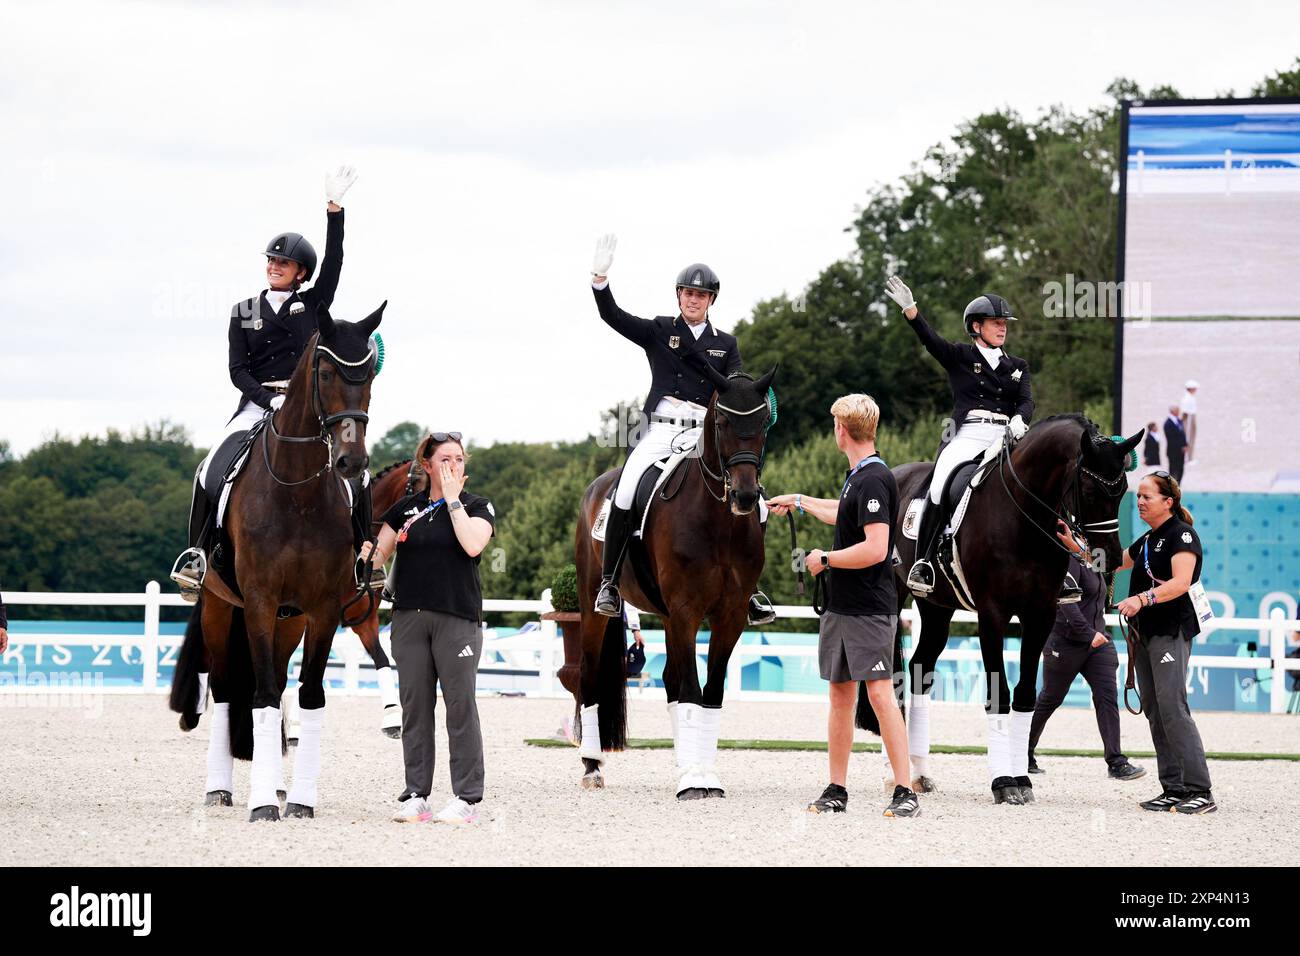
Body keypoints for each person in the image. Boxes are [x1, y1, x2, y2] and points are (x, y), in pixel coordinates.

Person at [170, 165, 360, 600]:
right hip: (257, 403)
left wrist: (335, 211)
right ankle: (197, 557)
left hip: (309, 407)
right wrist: (264, 400)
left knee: (358, 479)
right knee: (211, 466)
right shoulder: (243, 311)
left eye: (284, 262)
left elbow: (336, 263)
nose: (274, 266)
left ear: (301, 272)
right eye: (272, 260)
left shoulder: (313, 303)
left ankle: (363, 558)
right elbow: (237, 370)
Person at [588, 233, 773, 626]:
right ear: (679, 296)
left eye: (701, 295)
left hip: (706, 433)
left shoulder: (726, 343)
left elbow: (737, 383)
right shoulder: (658, 330)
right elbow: (613, 317)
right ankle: (609, 582)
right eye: (688, 293)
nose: (694, 299)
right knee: (625, 491)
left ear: (711, 301)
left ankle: (749, 586)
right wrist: (600, 281)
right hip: (660, 430)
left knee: (755, 501)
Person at [768, 394, 920, 818]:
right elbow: (844, 514)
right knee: (840, 697)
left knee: (880, 695)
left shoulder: (873, 479)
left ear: (841, 429)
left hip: (869, 607)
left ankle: (905, 790)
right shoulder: (859, 475)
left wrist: (826, 560)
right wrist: (799, 500)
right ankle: (837, 788)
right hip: (843, 606)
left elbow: (875, 548)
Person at [881, 277, 1069, 602]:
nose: (1003, 328)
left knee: (1042, 485)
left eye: (1004, 323)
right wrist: (912, 311)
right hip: (968, 434)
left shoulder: (1017, 366)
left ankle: (1057, 569)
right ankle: (924, 560)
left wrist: (1020, 421)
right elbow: (931, 341)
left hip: (1007, 435)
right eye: (996, 323)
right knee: (940, 483)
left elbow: (1026, 401)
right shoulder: (960, 356)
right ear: (976, 326)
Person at [360, 432, 496, 825]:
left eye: (459, 459)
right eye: (445, 459)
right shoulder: (405, 509)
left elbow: (472, 545)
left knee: (460, 706)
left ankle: (466, 798)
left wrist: (452, 501)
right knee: (415, 708)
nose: (454, 465)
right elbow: (378, 554)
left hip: (457, 618)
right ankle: (417, 794)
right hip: (408, 619)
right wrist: (362, 550)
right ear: (427, 465)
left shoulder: (477, 506)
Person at [1114, 471, 1215, 814]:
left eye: (1147, 496)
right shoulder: (1147, 539)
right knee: (1156, 712)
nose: (1140, 501)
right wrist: (1075, 545)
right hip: (1144, 634)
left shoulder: (1182, 535)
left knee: (1173, 708)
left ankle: (1200, 790)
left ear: (1168, 502)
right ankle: (1173, 788)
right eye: (1138, 496)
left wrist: (1141, 600)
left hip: (1170, 631)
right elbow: (1114, 562)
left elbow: (1181, 582)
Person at [1027, 530, 1146, 781]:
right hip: (1066, 641)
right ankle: (1023, 751)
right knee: (1050, 699)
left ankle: (1116, 761)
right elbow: (1065, 601)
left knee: (1107, 698)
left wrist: (1144, 539)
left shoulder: (1087, 555)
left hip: (1098, 643)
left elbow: (1107, 567)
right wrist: (1087, 634)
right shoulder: (1064, 556)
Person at [1163, 405, 1187, 483]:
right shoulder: (1168, 423)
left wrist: (1185, 445)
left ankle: (1178, 485)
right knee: (1173, 469)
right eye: (1177, 410)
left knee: (1180, 469)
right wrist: (1180, 446)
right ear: (1173, 411)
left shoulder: (1179, 421)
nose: (1179, 412)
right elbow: (1171, 438)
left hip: (1181, 451)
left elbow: (1182, 434)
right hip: (1173, 451)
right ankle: (1172, 486)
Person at [1180, 380, 1199, 464]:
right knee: (1188, 438)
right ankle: (1187, 458)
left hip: (1191, 417)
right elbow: (1185, 413)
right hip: (1189, 418)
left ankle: (1189, 457)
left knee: (1191, 438)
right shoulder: (1187, 398)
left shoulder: (1190, 397)